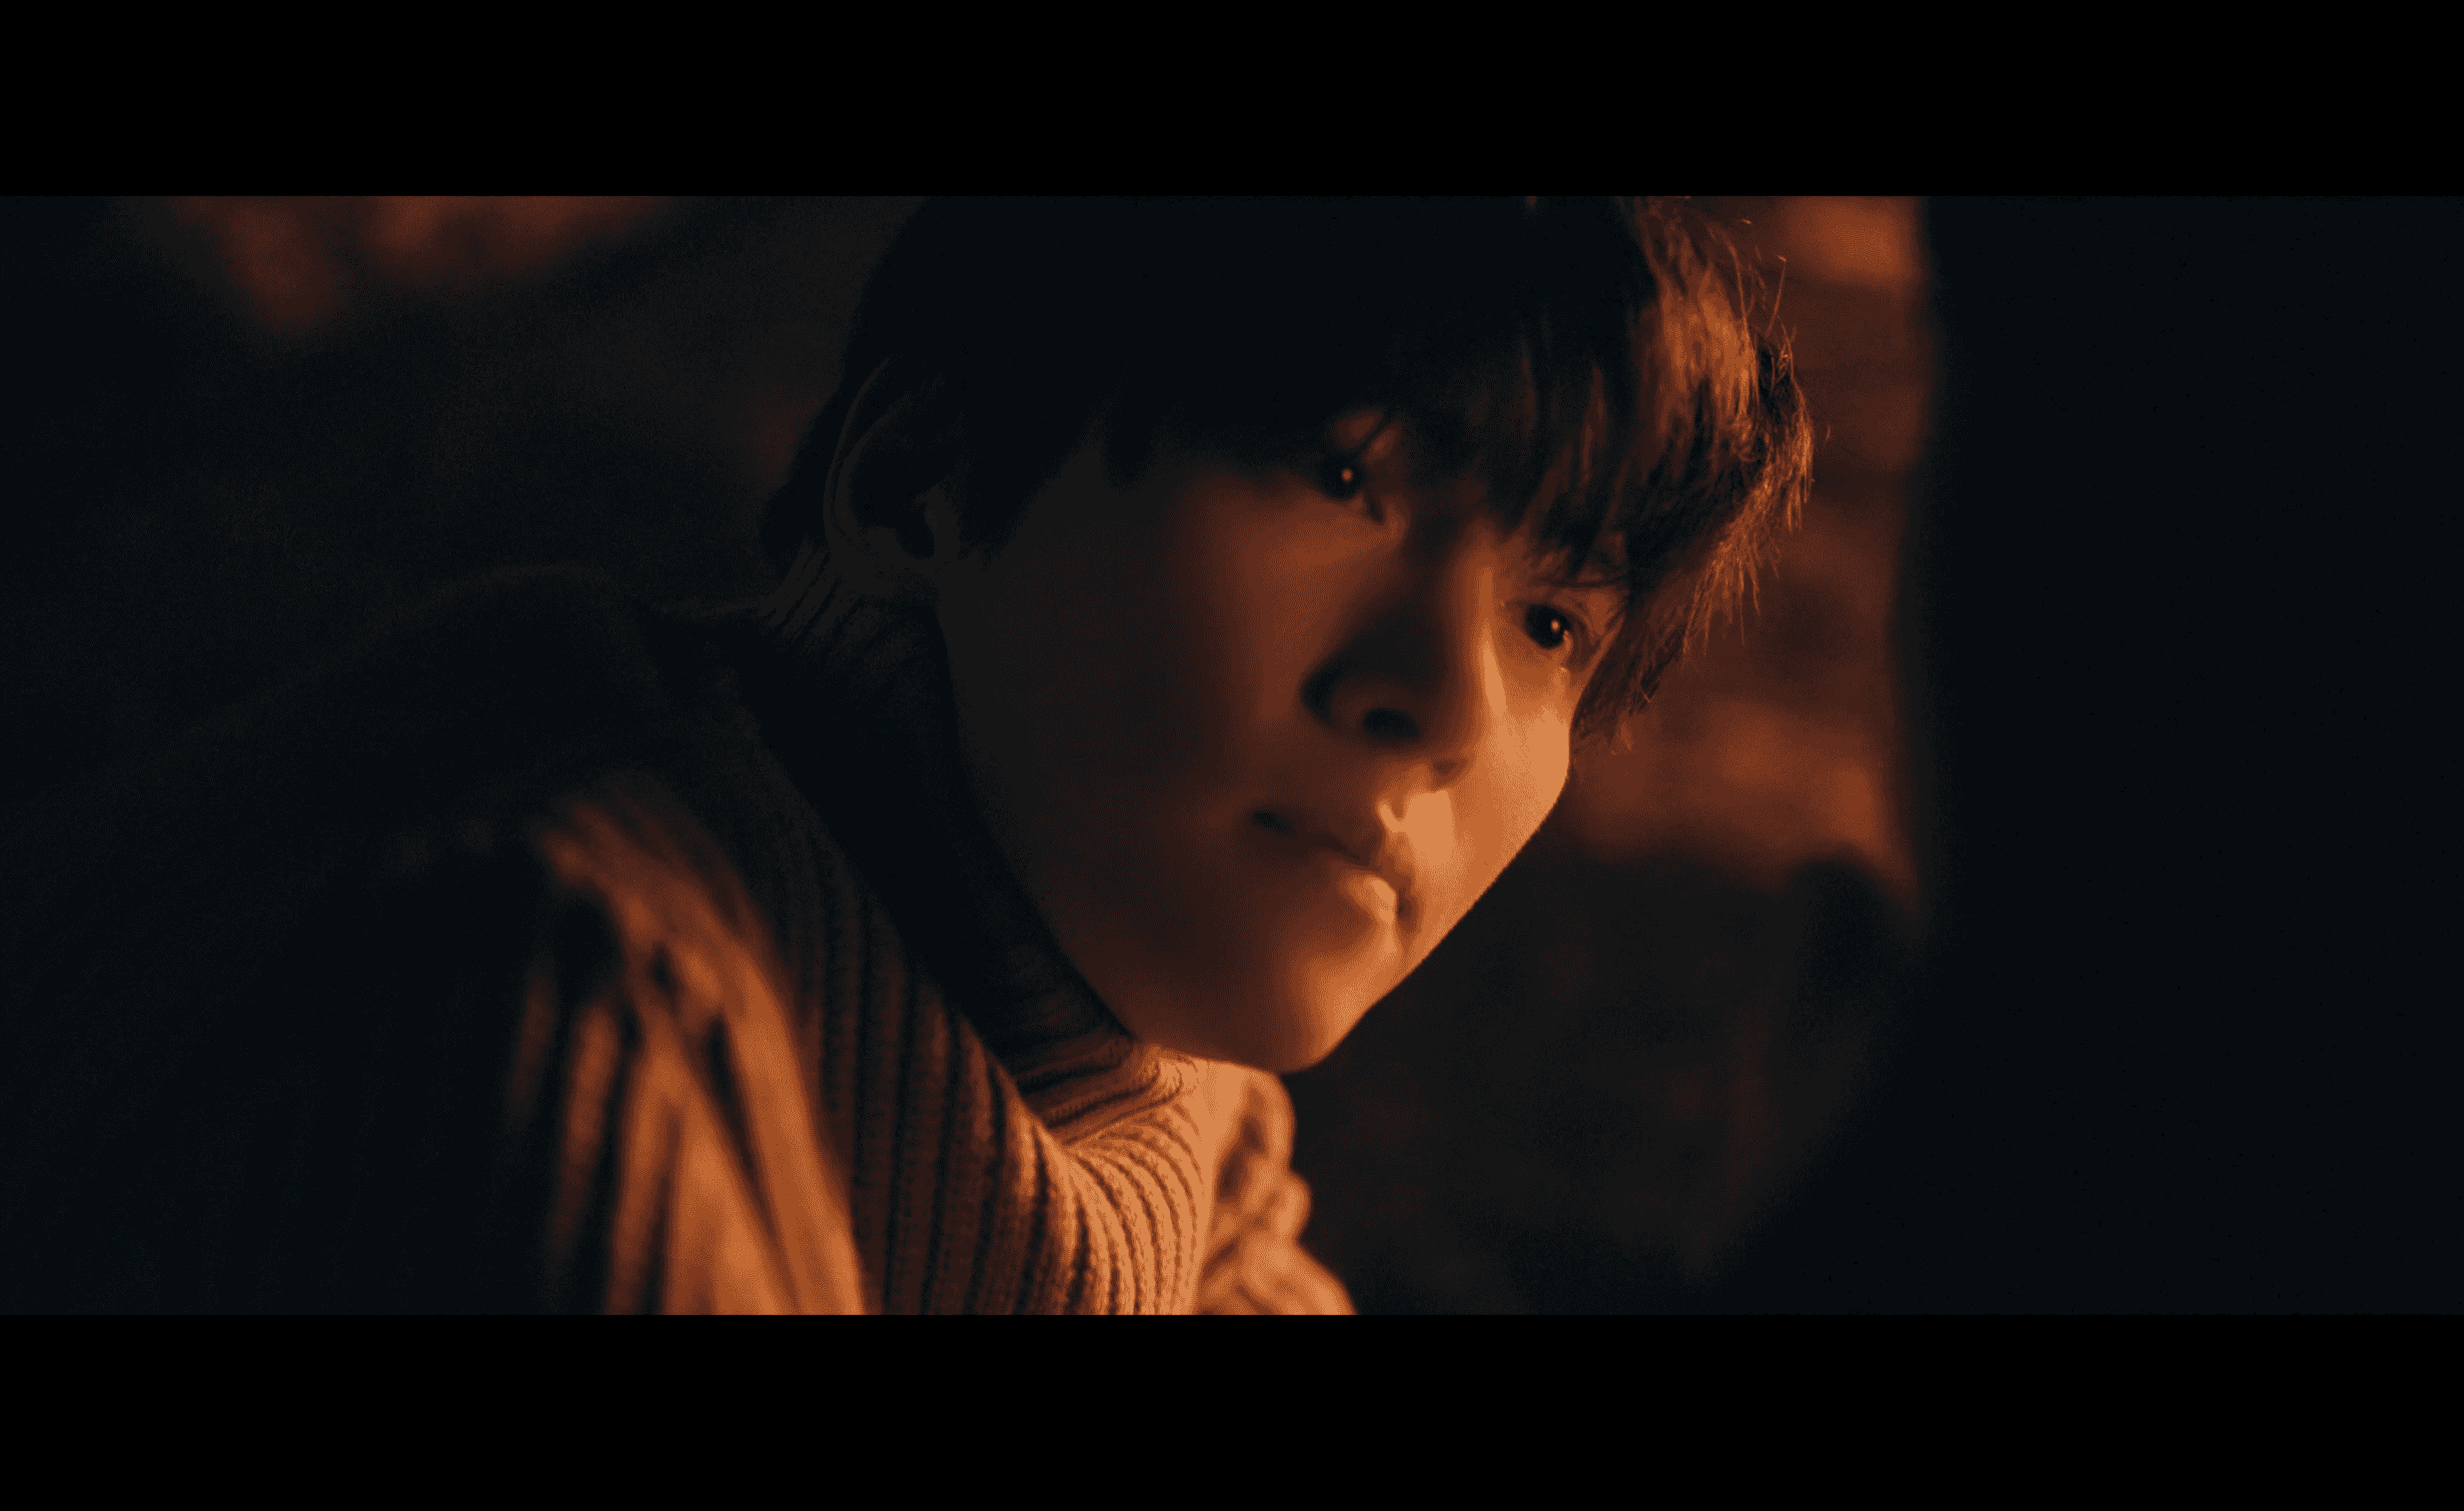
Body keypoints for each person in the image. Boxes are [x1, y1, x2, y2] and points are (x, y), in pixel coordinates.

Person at [0, 198, 1810, 1313]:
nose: (1451, 701)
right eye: (1343, 474)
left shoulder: (1151, 1083)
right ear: (914, 477)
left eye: (1553, 624)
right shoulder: (546, 993)